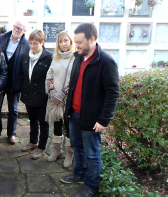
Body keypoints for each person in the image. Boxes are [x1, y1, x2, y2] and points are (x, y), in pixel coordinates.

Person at [60, 23, 120, 197]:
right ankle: (79, 174)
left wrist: (104, 120)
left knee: (92, 154)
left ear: (92, 39)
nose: (76, 45)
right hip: (74, 113)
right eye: (75, 41)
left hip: (92, 118)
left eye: (79, 42)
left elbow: (113, 93)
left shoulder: (106, 62)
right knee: (77, 148)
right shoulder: (78, 57)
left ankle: (92, 186)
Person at [20, 30, 52, 160]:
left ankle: (42, 147)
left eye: (36, 43)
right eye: (31, 43)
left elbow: (51, 77)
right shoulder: (26, 56)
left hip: (42, 96)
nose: (32, 46)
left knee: (43, 122)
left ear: (42, 42)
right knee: (32, 120)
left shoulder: (48, 57)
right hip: (29, 95)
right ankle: (33, 141)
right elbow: (24, 75)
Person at [45, 30, 75, 167]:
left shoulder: (76, 58)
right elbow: (49, 75)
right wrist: (52, 92)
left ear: (71, 41)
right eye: (60, 41)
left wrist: (63, 93)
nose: (63, 44)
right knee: (56, 124)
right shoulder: (55, 57)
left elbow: (74, 79)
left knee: (69, 126)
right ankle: (56, 151)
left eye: (66, 40)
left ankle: (69, 153)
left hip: (69, 100)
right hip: (55, 99)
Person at [0, 20, 30, 144]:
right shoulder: (1, 38)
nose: (17, 30)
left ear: (24, 31)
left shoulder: (26, 44)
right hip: (0, 79)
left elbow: (26, 64)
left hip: (15, 81)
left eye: (20, 29)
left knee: (13, 109)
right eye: (15, 27)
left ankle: (11, 133)